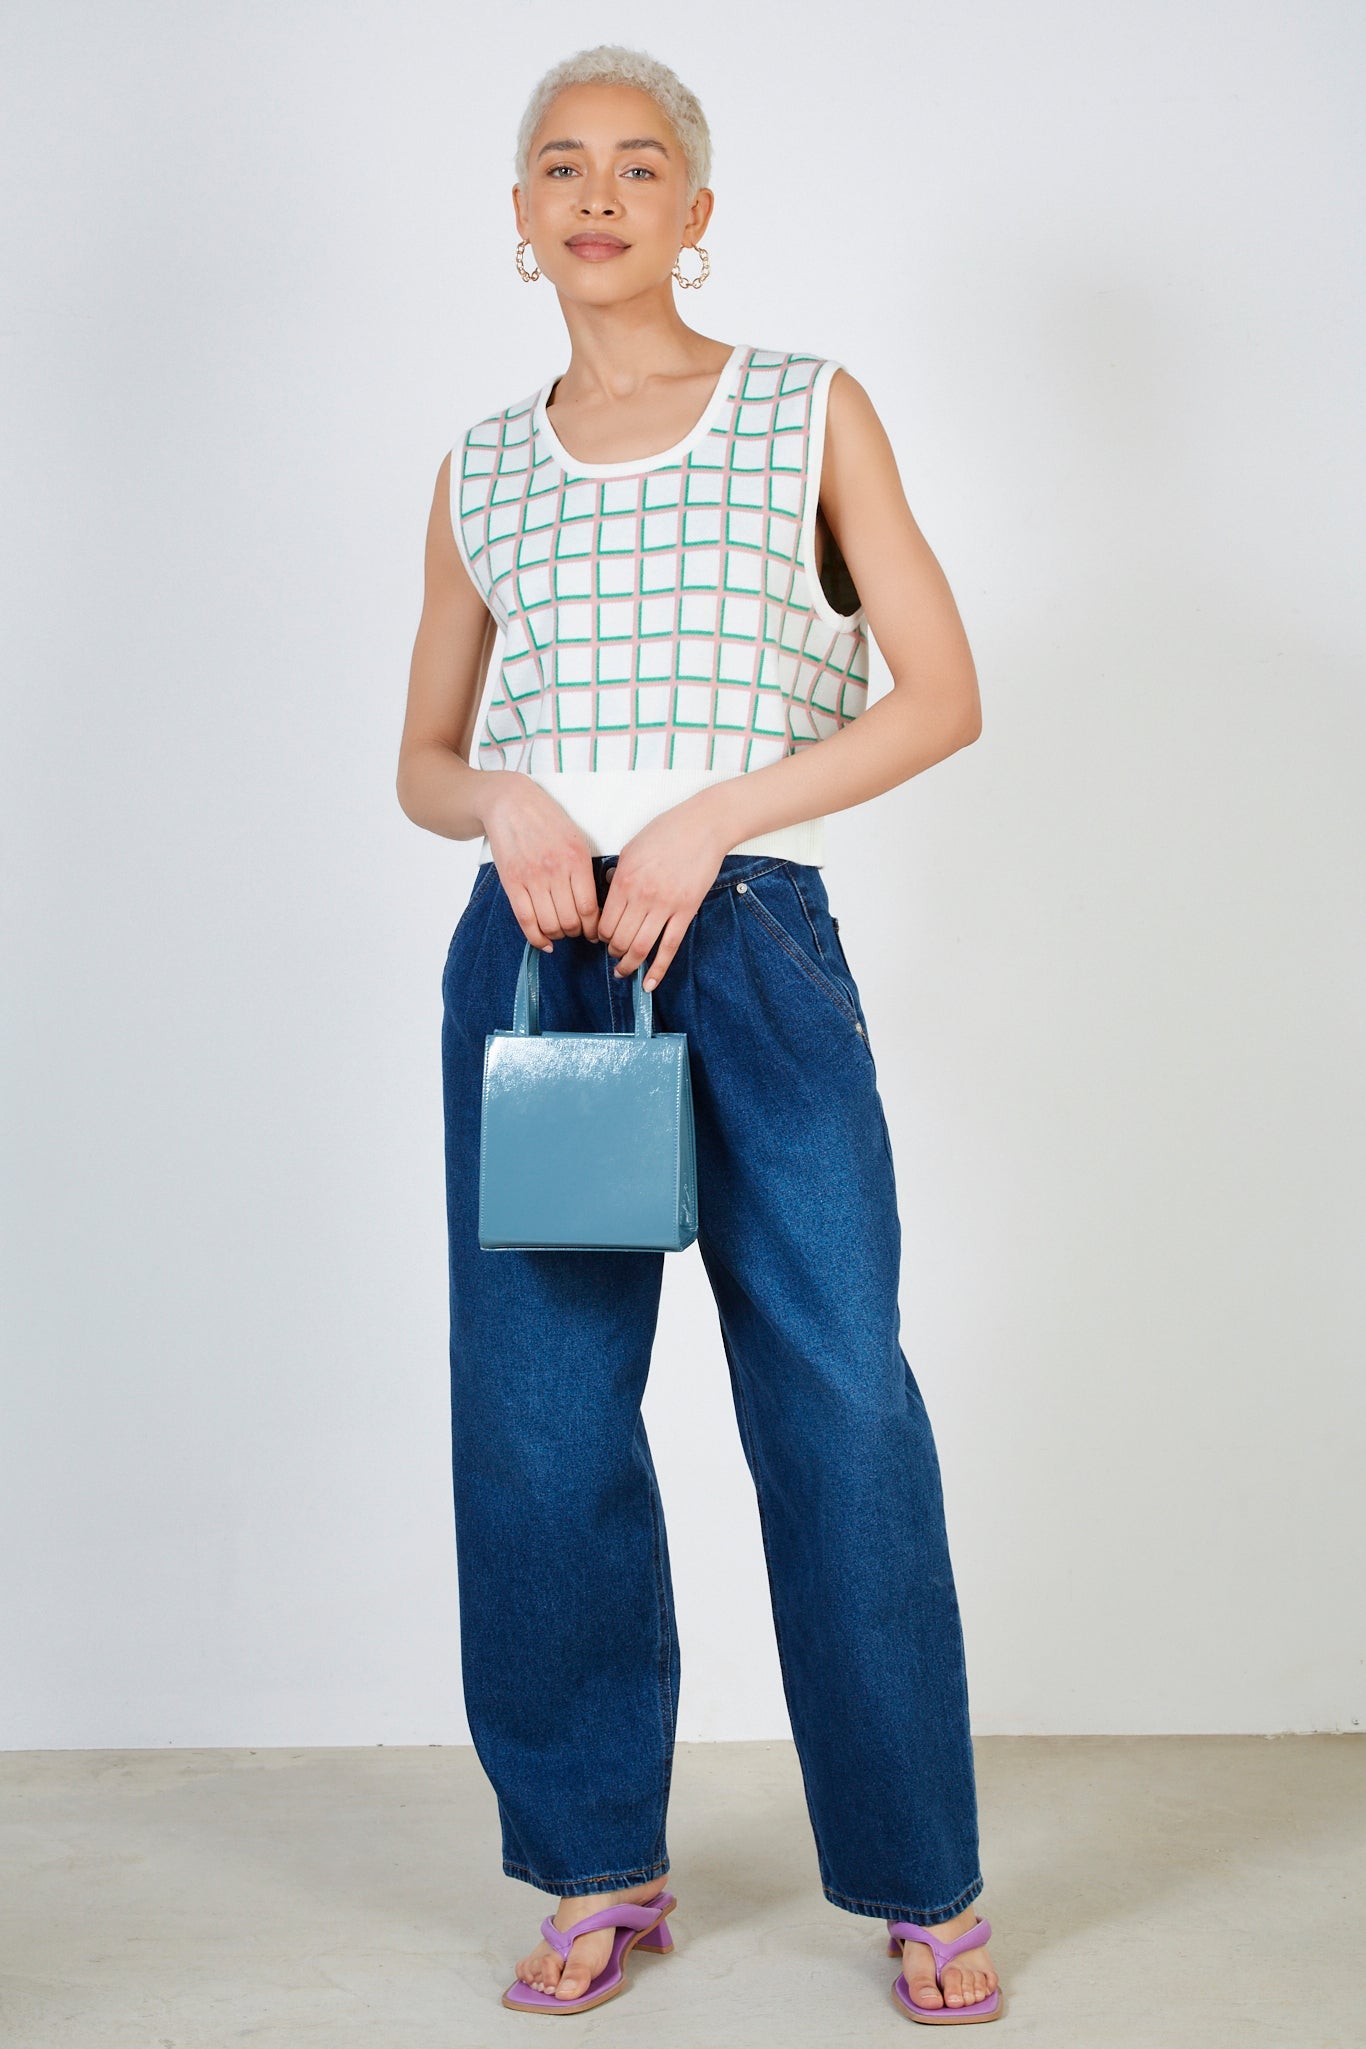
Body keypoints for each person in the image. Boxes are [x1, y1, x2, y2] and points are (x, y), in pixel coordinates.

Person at [395, 42, 1002, 2026]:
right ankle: (596, 1857)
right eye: (560, 165)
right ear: (518, 216)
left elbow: (937, 694)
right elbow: (421, 756)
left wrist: (709, 815)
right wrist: (506, 801)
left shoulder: (807, 406)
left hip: (741, 942)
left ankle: (917, 1872)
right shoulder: (479, 468)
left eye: (639, 164)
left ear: (695, 209)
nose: (598, 193)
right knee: (542, 1415)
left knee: (836, 1397)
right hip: (545, 955)